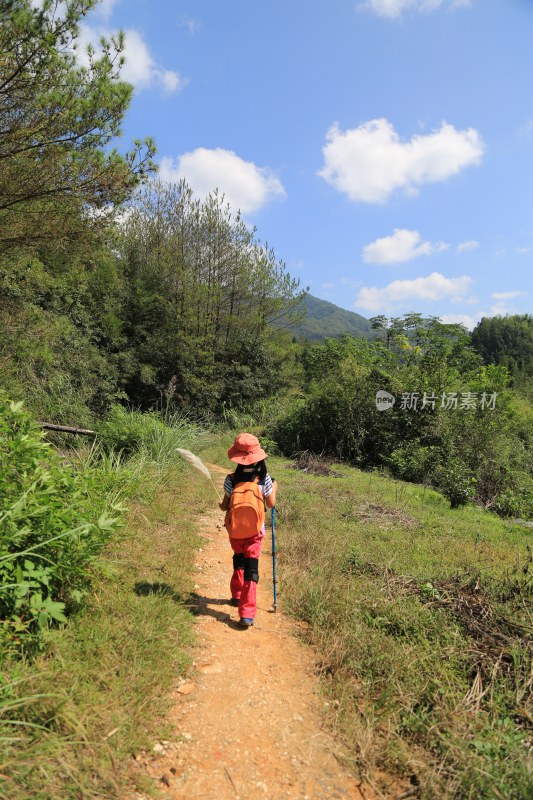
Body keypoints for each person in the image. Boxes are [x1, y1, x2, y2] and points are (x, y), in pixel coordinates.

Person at [219, 433, 277, 628]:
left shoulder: (231, 479)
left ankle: (236, 594)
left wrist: (221, 503)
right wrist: (274, 487)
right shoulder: (264, 479)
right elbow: (271, 503)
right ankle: (246, 613)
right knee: (251, 569)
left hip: (235, 532)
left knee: (239, 560)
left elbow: (224, 506)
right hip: (255, 532)